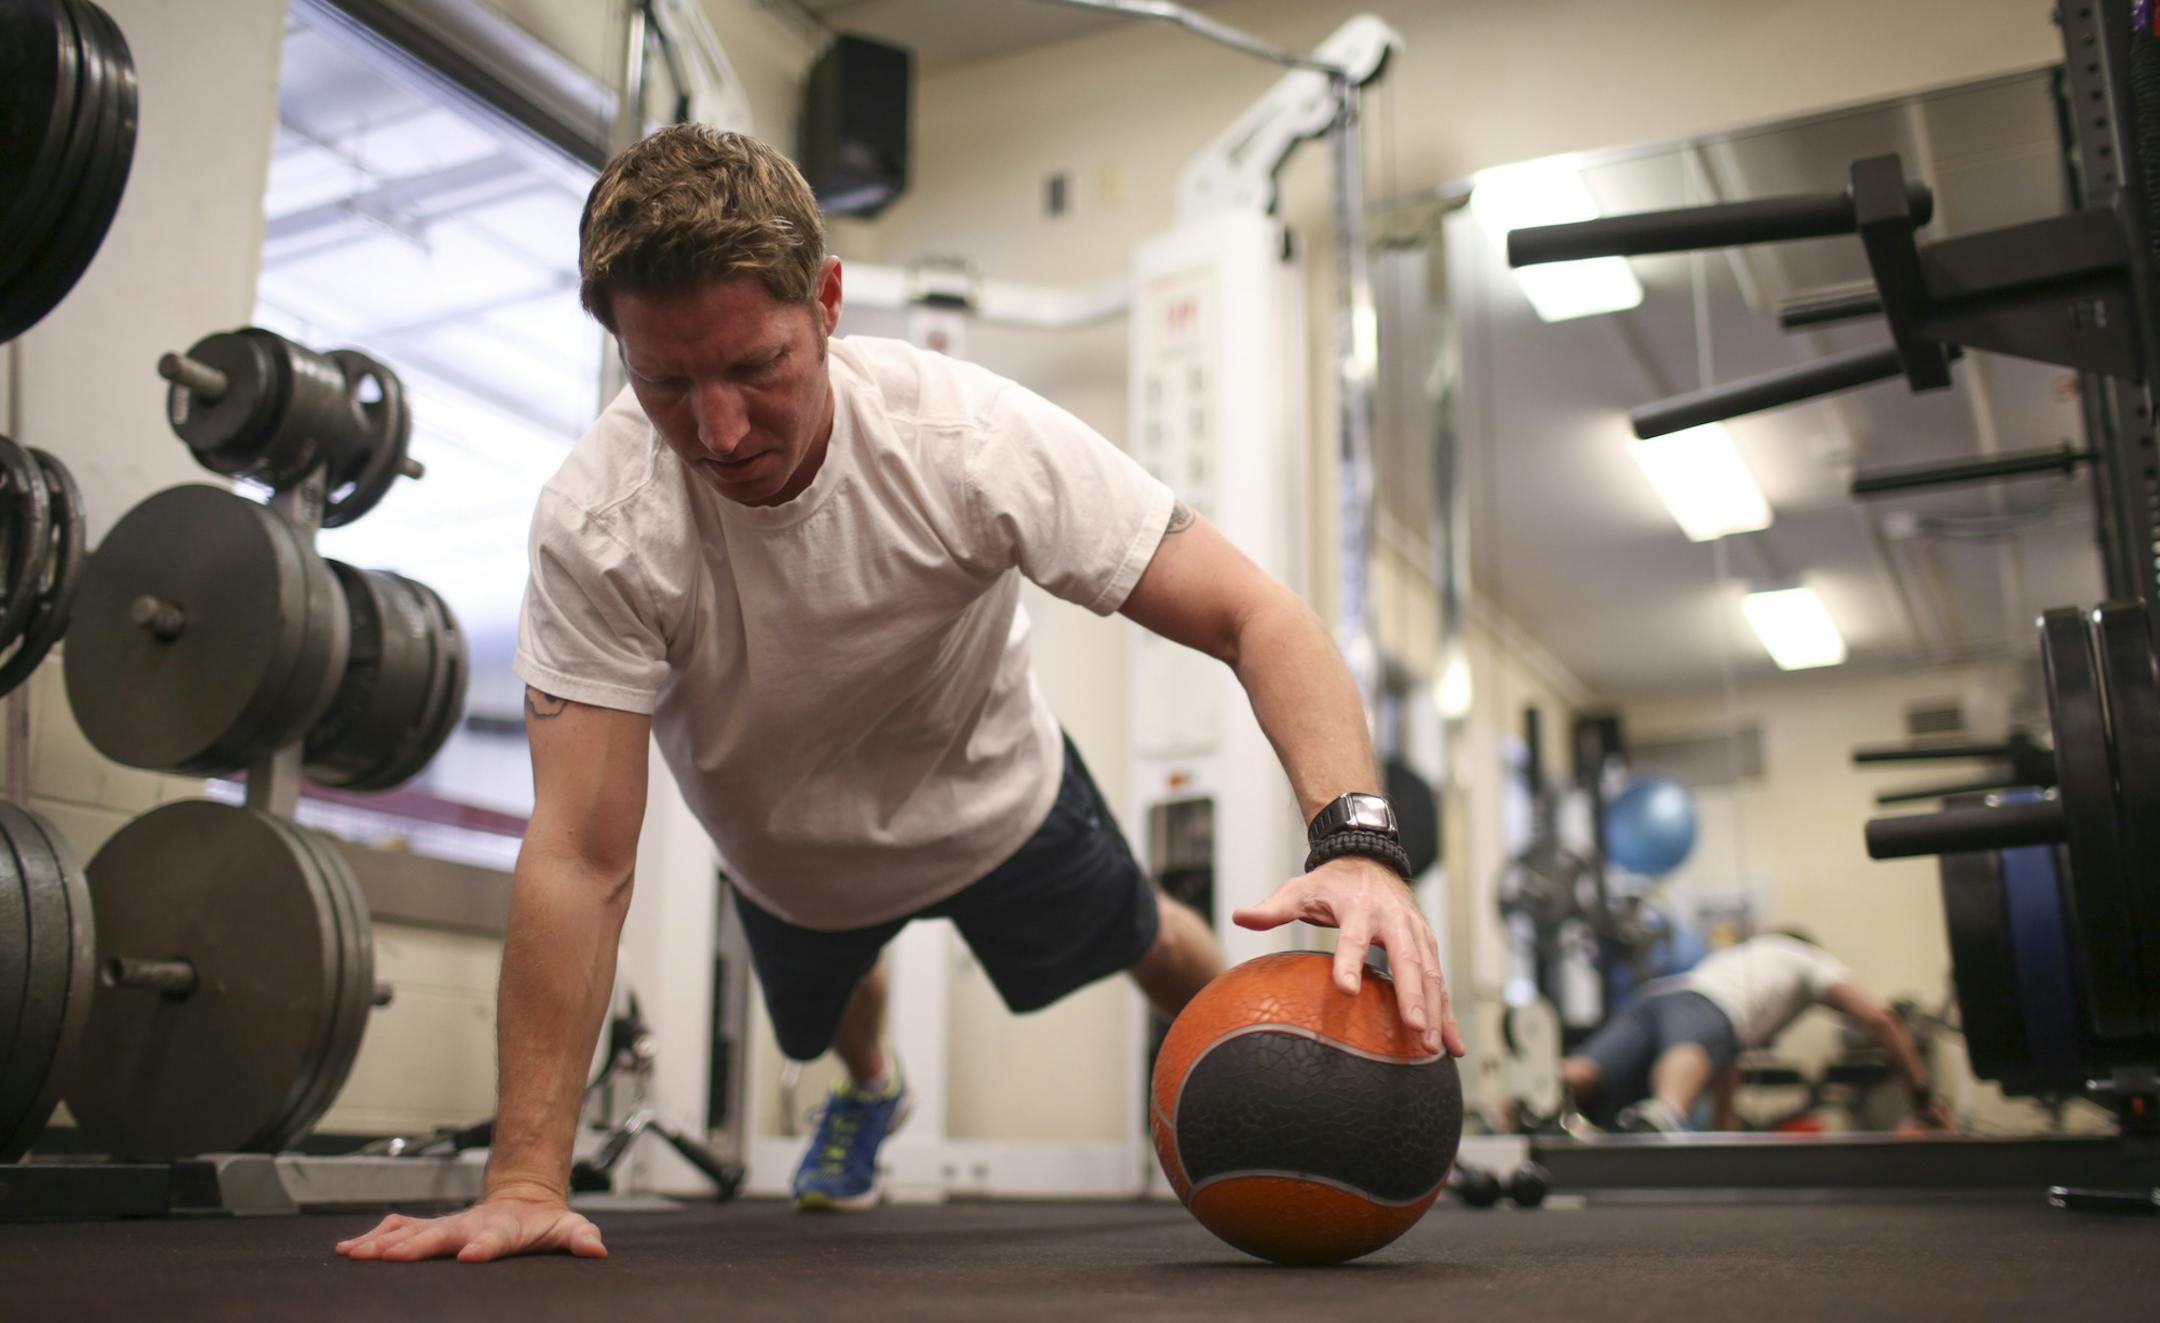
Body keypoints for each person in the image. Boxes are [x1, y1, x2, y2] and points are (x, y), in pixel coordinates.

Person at [335, 126, 1460, 1266]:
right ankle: (873, 1093)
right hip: (787, 851)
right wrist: (526, 1179)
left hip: (993, 795)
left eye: (755, 367)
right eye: (666, 382)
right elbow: (577, 852)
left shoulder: (964, 439)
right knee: (838, 1017)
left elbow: (1258, 615)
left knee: (1151, 944)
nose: (717, 432)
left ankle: (1279, 1052)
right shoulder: (601, 522)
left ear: (825, 301)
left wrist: (1358, 844)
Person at [1559, 928, 1953, 1134]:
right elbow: (1881, 1019)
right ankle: (1665, 1110)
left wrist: (1723, 1134)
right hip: (1702, 1006)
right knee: (1688, 1054)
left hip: (1654, 997)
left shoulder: (1735, 961)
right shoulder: (1807, 958)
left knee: (1586, 1073)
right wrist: (1921, 1095)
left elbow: (1723, 1059)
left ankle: (1520, 1104)